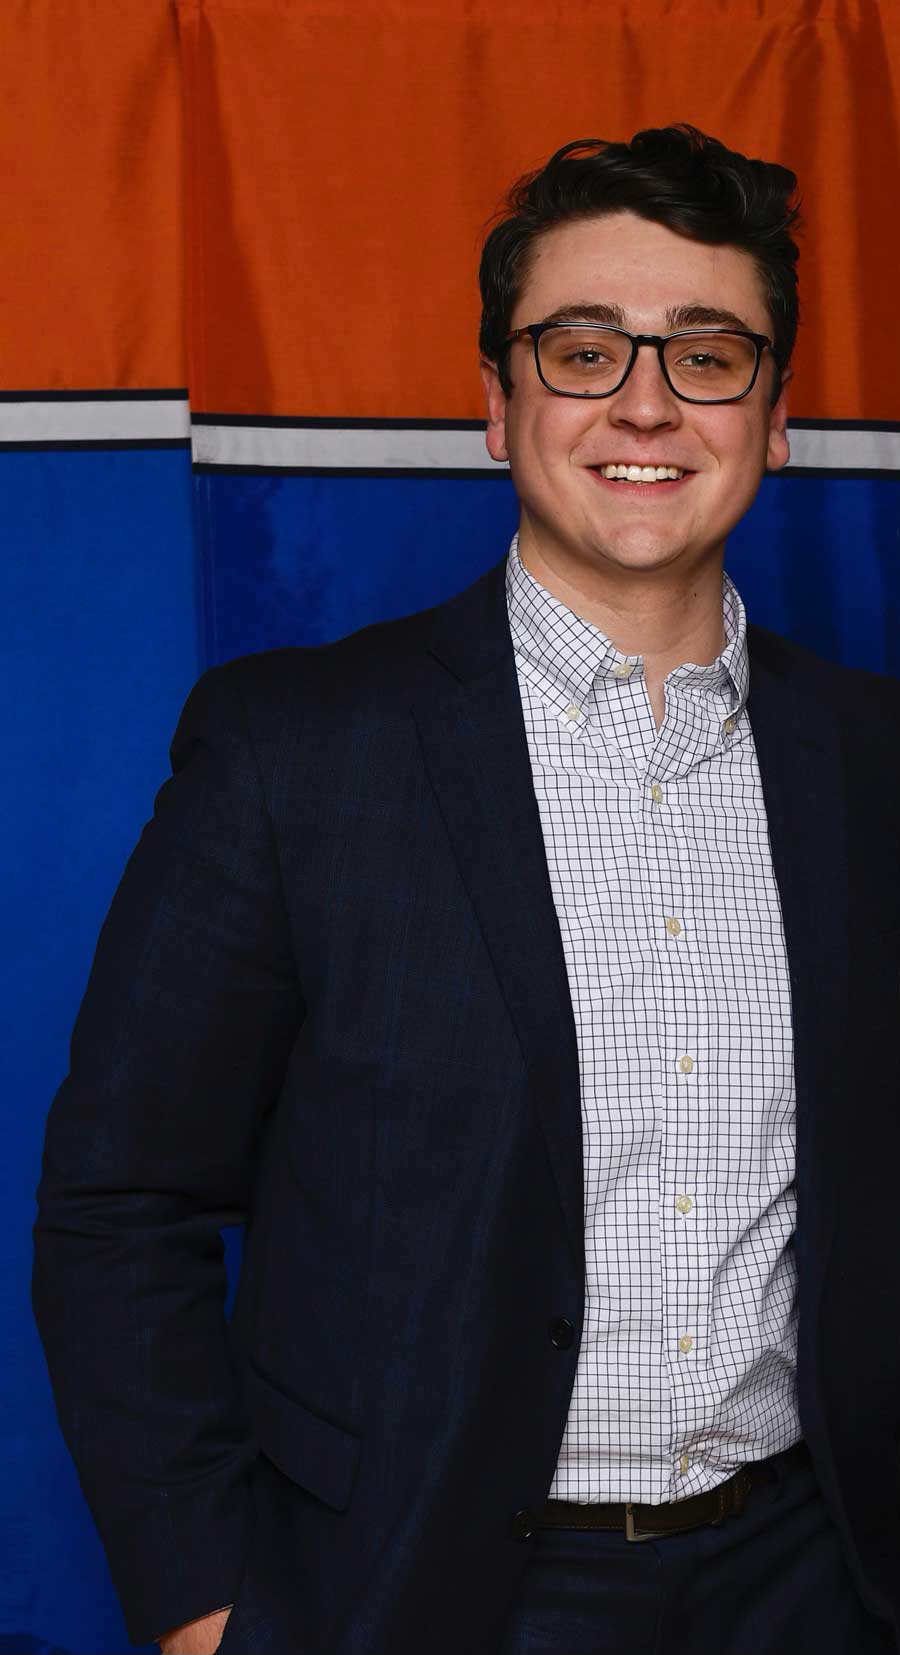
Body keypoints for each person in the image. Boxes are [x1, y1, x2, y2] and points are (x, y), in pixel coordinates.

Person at [32, 126, 900, 1655]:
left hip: (809, 1583)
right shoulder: (295, 750)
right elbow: (123, 1202)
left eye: (706, 354)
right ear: (497, 407)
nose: (645, 400)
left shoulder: (876, 763)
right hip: (421, 1596)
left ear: (773, 415)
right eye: (583, 351)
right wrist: (207, 1608)